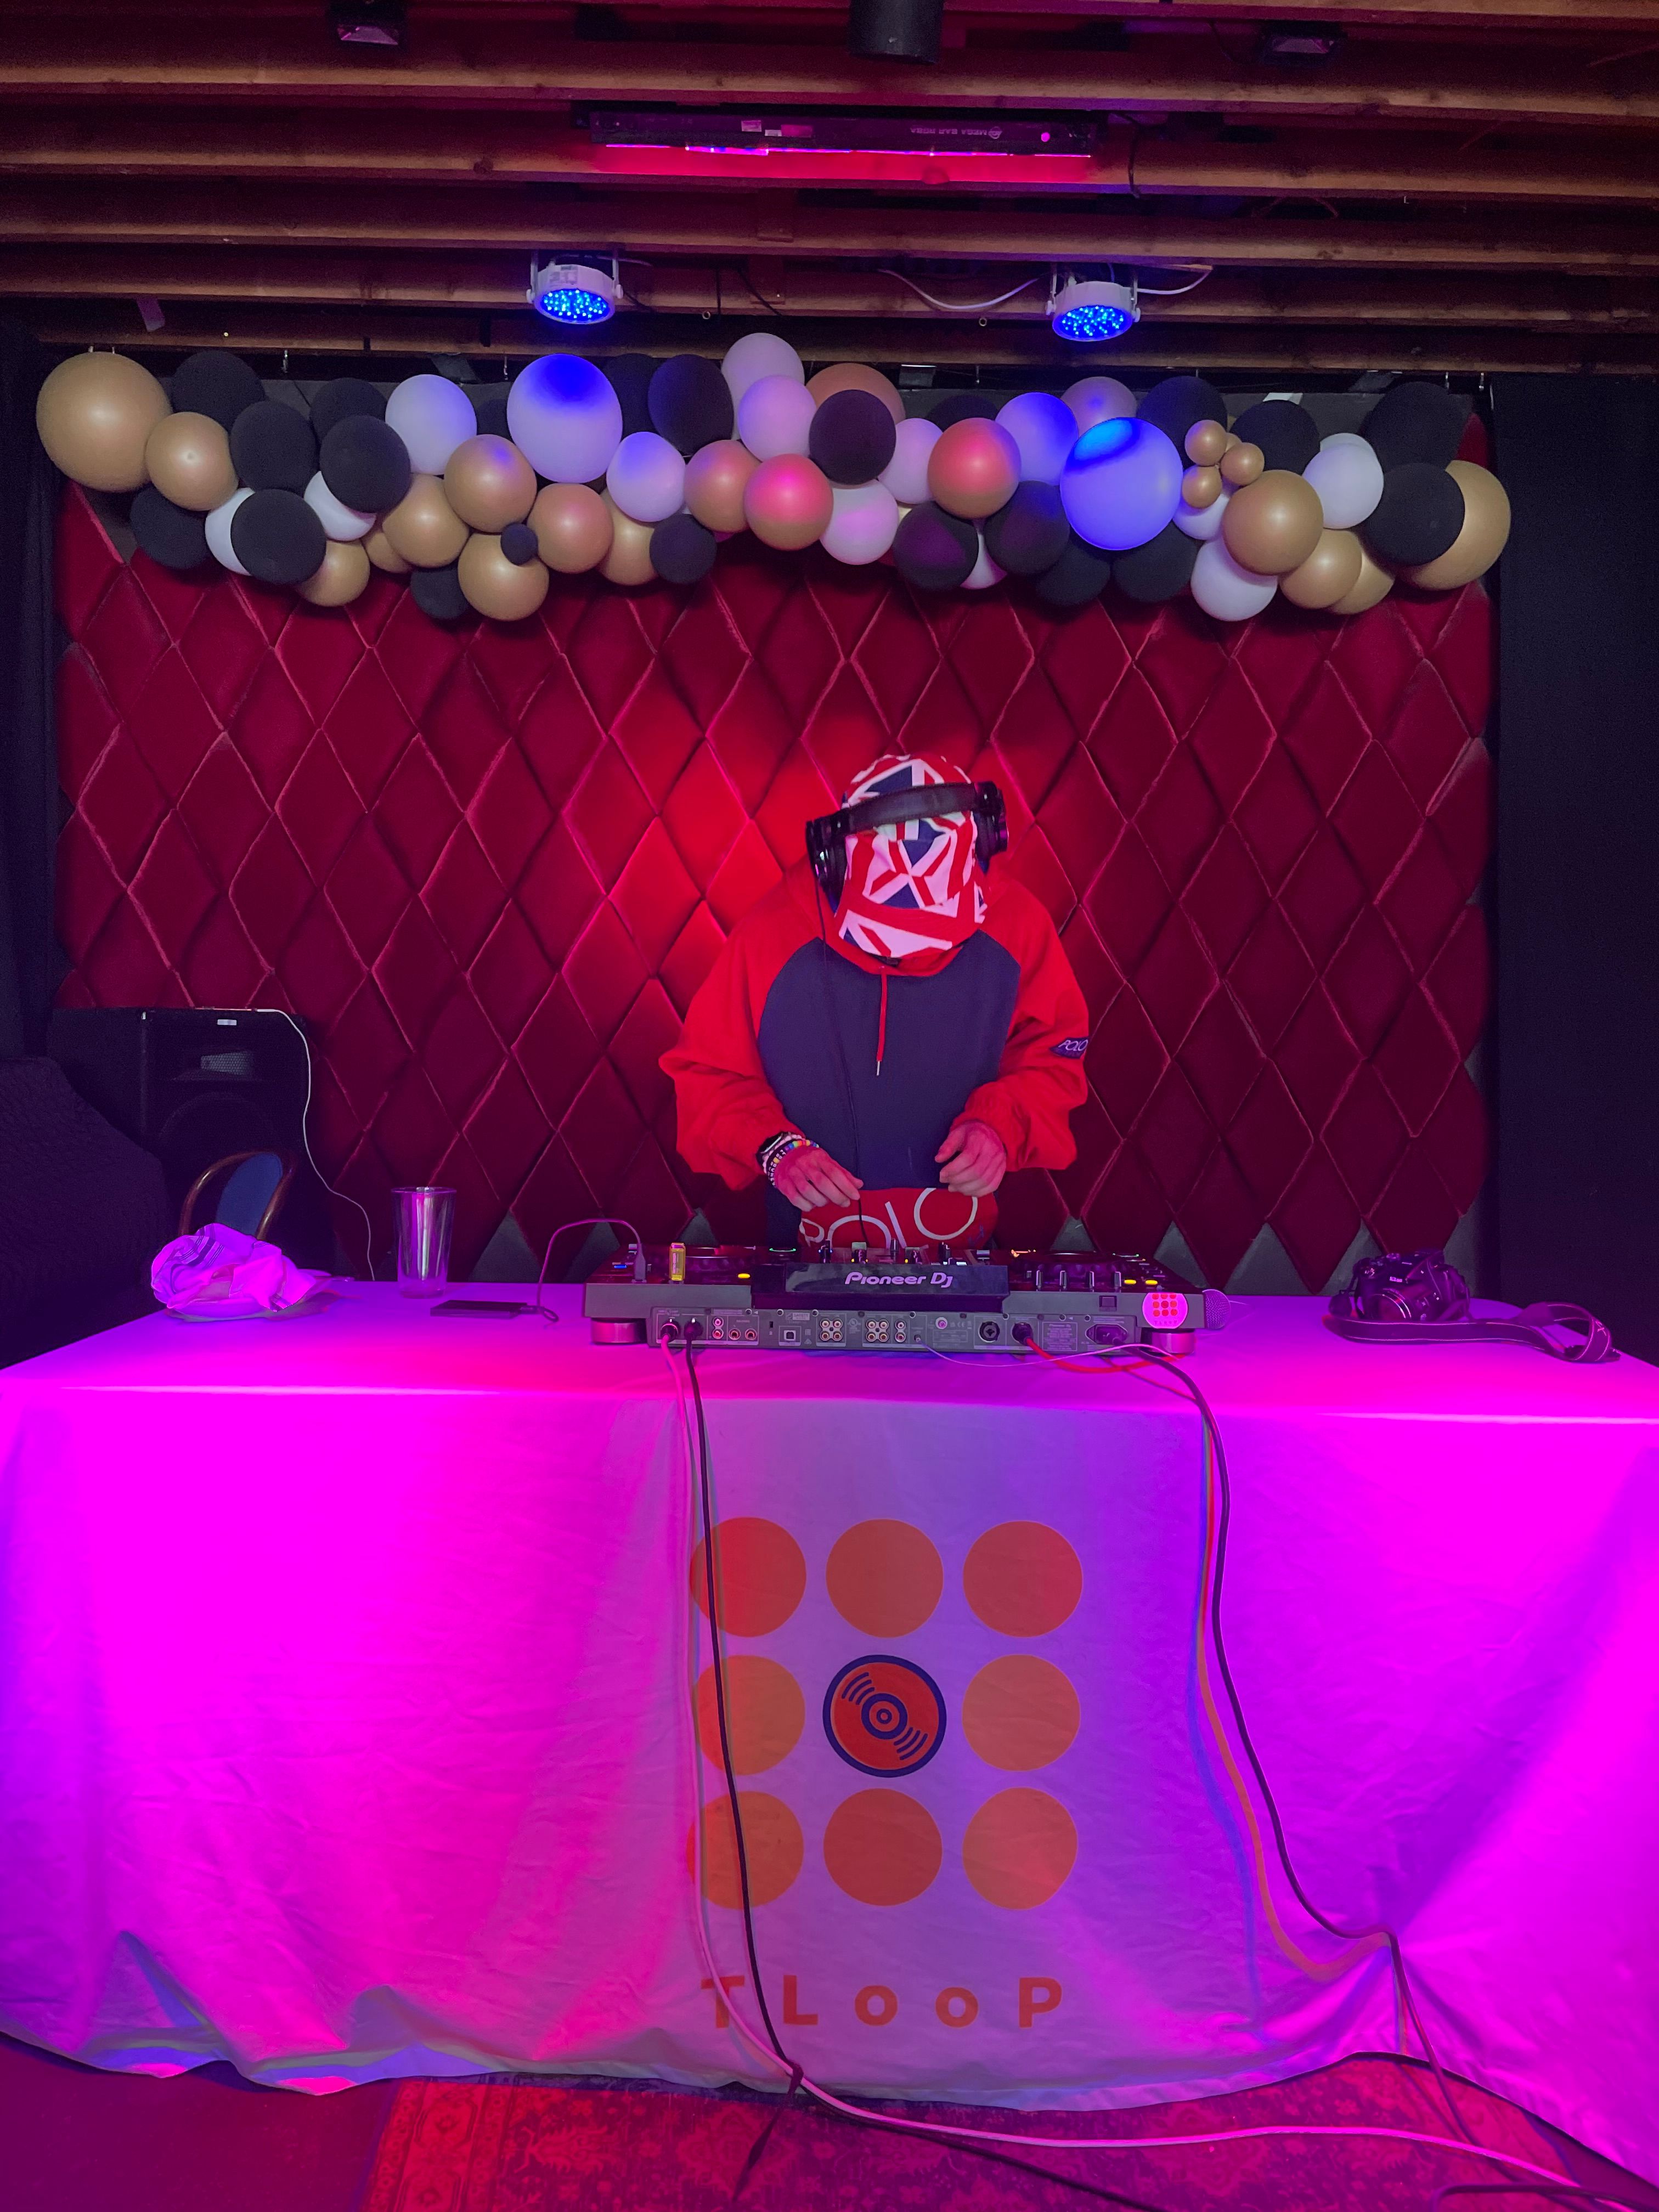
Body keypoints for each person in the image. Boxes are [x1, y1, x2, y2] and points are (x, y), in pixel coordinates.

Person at [661, 751, 1090, 1246]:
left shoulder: (1020, 927)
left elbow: (1053, 1061)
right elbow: (708, 1075)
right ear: (832, 863)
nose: (909, 960)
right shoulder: (768, 936)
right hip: (801, 1253)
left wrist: (1000, 1129)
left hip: (971, 1251)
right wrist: (776, 1149)